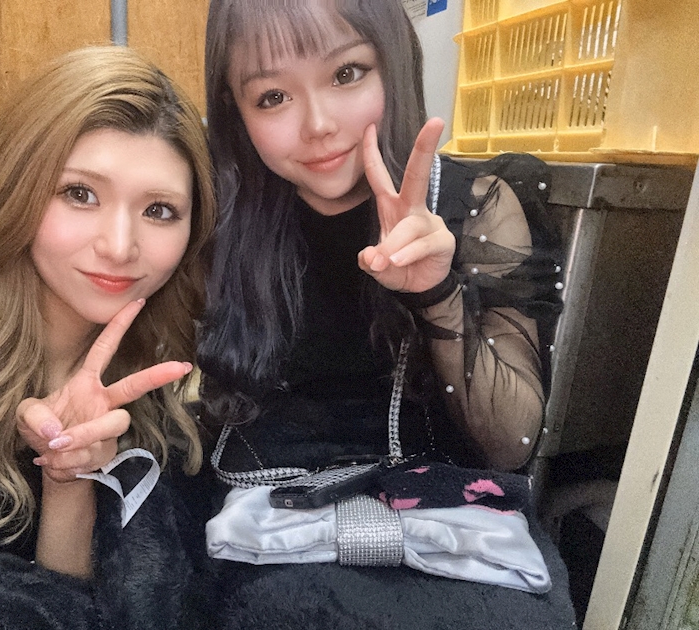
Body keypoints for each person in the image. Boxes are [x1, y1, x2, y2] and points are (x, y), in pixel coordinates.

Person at [195, 1, 576, 628]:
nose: (318, 125)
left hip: (452, 523)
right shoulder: (219, 217)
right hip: (270, 521)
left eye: (346, 74)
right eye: (272, 97)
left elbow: (512, 444)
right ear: (235, 111)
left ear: (393, 64)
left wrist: (435, 292)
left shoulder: (474, 206)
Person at [0, 45, 215, 629]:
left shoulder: (151, 380)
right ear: (18, 190)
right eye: (80, 193)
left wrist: (67, 475)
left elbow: (56, 600)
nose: (119, 246)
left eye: (158, 210)